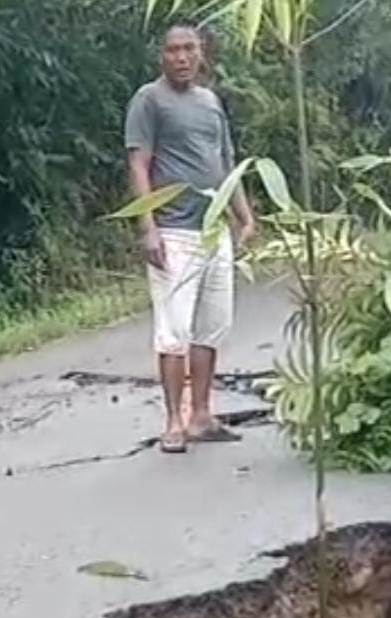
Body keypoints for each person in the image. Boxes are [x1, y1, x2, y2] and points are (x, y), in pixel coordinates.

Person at [124, 23, 255, 454]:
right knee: (173, 330)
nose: (181, 57)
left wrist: (244, 216)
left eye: (189, 49)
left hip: (214, 231)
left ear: (201, 54)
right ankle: (173, 421)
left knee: (211, 328)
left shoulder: (210, 102)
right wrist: (148, 226)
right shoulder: (149, 100)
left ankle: (201, 414)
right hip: (174, 231)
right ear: (161, 56)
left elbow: (226, 163)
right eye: (172, 50)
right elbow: (140, 164)